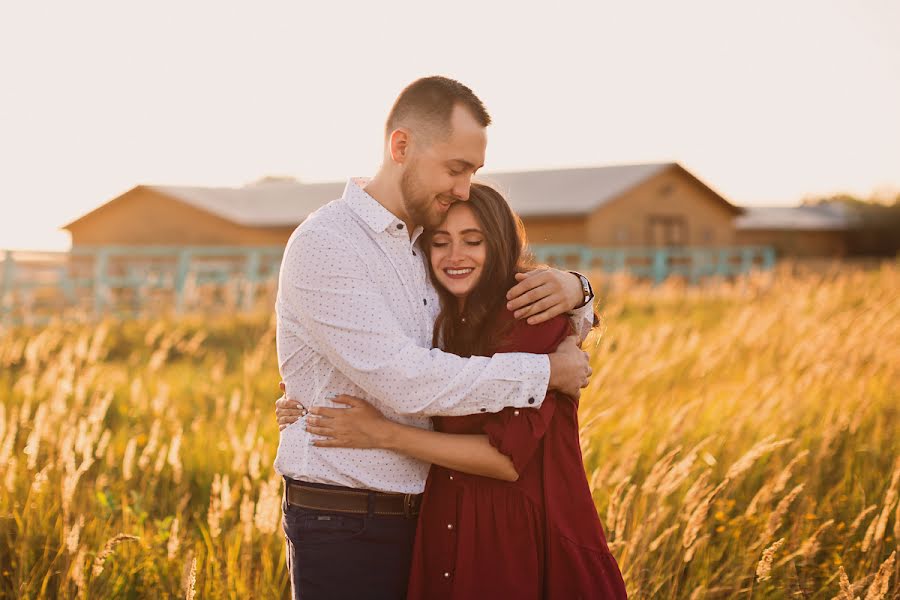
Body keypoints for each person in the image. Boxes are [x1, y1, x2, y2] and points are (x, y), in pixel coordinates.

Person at [274, 76, 598, 600]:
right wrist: (544, 374)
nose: (464, 188)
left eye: (473, 172)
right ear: (401, 147)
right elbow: (404, 379)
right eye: (456, 168)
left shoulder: (427, 244)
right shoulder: (327, 243)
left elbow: (495, 308)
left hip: (432, 520)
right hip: (347, 520)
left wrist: (579, 294)